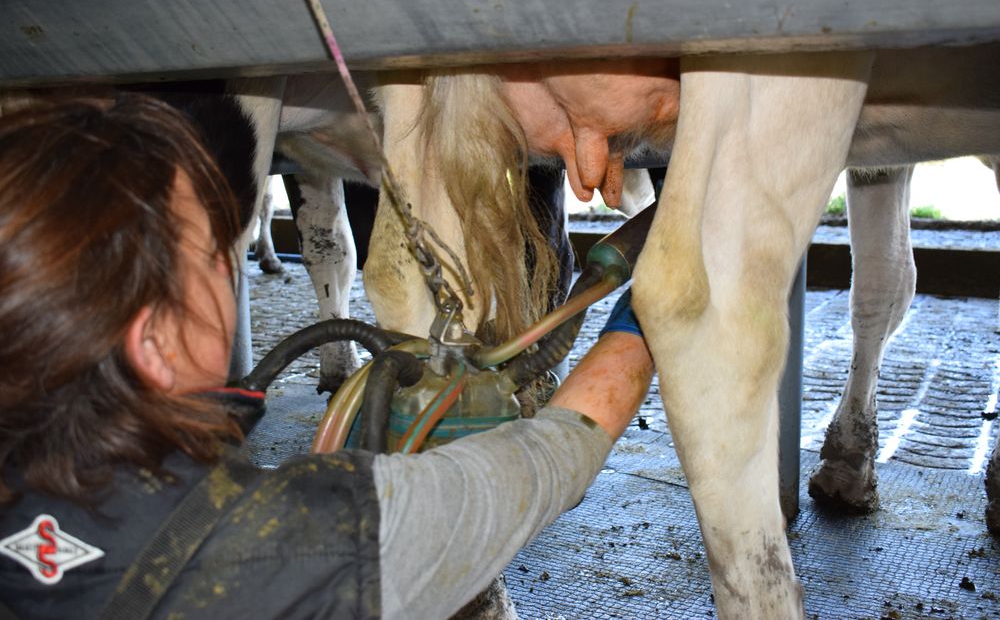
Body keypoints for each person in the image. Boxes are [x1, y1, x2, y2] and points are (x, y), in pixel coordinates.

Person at [0, 95, 654, 619]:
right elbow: (554, 457)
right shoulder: (310, 544)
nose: (226, 271)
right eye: (210, 255)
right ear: (156, 344)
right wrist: (647, 307)